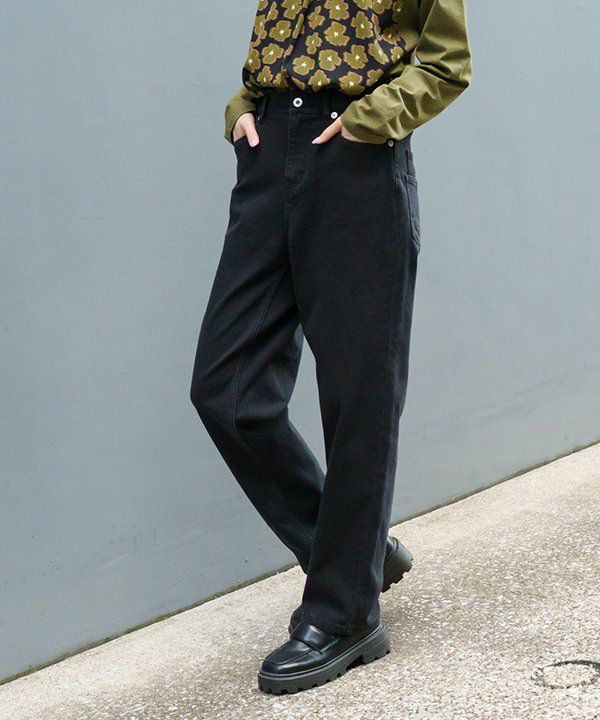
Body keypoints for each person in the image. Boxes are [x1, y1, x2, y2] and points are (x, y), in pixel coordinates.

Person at [190, 0, 471, 695]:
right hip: (267, 154)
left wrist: (370, 121)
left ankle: (345, 613)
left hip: (355, 158)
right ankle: (352, 555)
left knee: (357, 396)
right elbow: (280, 33)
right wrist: (242, 109)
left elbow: (447, 63)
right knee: (226, 389)